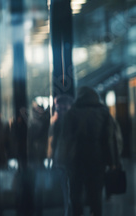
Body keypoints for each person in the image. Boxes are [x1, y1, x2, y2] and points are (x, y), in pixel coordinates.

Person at [59, 87, 120, 216]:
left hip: (76, 158)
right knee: (96, 193)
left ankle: (78, 213)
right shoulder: (104, 112)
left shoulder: (71, 113)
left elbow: (65, 139)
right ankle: (95, 213)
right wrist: (113, 162)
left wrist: (62, 160)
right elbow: (109, 139)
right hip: (97, 158)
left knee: (76, 192)